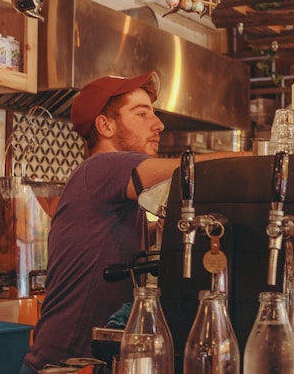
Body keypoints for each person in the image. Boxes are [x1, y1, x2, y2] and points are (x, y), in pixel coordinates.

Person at [20, 71, 250, 373]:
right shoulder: (102, 167)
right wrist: (256, 159)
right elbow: (187, 170)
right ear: (105, 125)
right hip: (64, 368)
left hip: (86, 363)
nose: (159, 125)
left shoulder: (116, 191)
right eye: (141, 114)